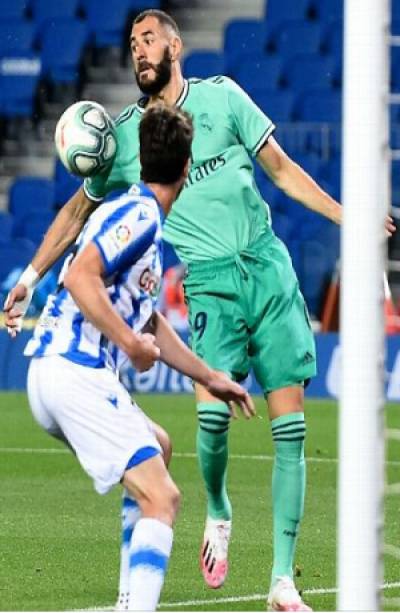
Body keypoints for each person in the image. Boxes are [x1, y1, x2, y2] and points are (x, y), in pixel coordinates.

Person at [4, 9, 396, 612]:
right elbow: (75, 216)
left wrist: (354, 217)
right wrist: (31, 274)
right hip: (209, 286)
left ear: (176, 44)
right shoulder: (129, 142)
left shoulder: (225, 98)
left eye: (149, 38)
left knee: (288, 428)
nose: (139, 50)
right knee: (210, 423)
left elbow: (285, 173)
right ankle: (217, 511)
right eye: (132, 42)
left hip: (268, 268)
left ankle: (282, 581)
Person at [21, 104, 255, 612]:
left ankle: (130, 598)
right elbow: (82, 275)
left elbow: (149, 321)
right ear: (187, 168)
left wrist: (210, 376)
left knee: (159, 445)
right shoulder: (141, 216)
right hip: (72, 370)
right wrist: (127, 343)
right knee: (164, 498)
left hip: (56, 372)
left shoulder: (134, 211)